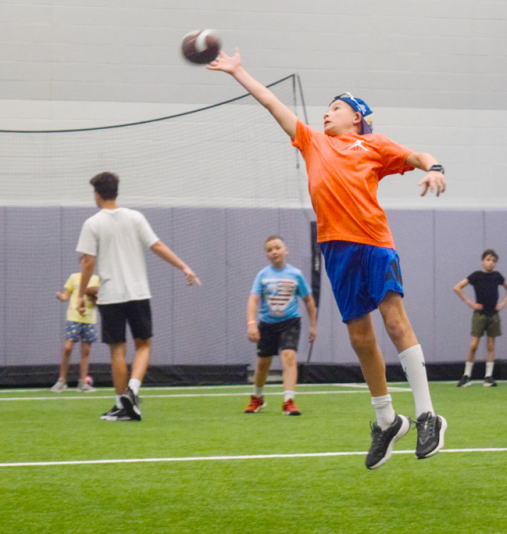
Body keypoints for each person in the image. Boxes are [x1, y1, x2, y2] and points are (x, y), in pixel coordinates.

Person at [208, 49, 447, 469]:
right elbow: (271, 103)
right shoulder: (312, 142)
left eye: (335, 108)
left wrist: (435, 168)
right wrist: (238, 71)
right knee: (360, 338)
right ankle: (387, 422)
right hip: (336, 249)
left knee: (394, 321)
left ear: (356, 116)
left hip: (374, 242)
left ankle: (428, 416)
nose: (326, 113)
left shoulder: (373, 144)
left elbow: (419, 157)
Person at [76, 172, 201, 421]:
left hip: (110, 295)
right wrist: (184, 266)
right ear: (117, 192)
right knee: (143, 345)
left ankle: (123, 401)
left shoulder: (92, 223)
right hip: (138, 293)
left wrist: (80, 294)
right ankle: (131, 393)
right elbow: (157, 245)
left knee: (117, 351)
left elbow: (88, 261)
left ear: (97, 194)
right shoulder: (135, 217)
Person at [246, 236, 317, 416]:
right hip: (267, 324)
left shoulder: (296, 274)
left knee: (289, 357)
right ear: (266, 255)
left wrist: (313, 326)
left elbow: (308, 300)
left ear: (285, 250)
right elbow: (253, 300)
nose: (274, 252)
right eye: (270, 250)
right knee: (263, 362)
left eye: (277, 248)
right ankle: (257, 397)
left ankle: (288, 401)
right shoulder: (263, 275)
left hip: (290, 322)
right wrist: (251, 324)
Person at [453, 249, 507, 387]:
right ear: (482, 261)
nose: (491, 263)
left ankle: (488, 377)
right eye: (488, 260)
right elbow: (457, 288)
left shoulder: (497, 276)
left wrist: (503, 303)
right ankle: (466, 375)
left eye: (493, 261)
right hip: (480, 315)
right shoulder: (476, 276)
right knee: (474, 345)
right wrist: (470, 303)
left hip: (493, 315)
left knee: (491, 345)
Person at [51, 270, 100, 393]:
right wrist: (60, 296)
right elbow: (66, 296)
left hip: (89, 319)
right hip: (73, 317)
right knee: (67, 348)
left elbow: (99, 300)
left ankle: (82, 382)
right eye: (83, 261)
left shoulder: (96, 279)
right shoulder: (74, 277)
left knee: (85, 351)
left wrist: (93, 298)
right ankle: (62, 381)